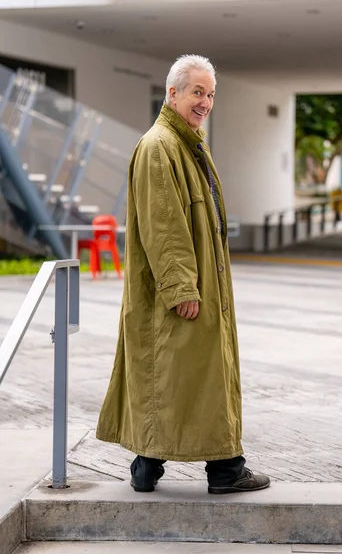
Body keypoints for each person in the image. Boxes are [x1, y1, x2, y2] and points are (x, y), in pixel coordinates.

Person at [96, 54, 271, 495]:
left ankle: (149, 465)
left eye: (211, 94)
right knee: (186, 375)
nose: (205, 101)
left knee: (181, 376)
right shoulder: (161, 146)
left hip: (200, 287)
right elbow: (164, 226)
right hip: (180, 292)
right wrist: (179, 288)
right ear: (172, 93)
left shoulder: (186, 142)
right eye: (198, 91)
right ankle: (225, 469)